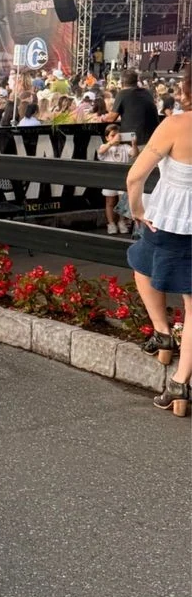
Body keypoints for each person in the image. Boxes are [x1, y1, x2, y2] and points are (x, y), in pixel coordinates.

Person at [126, 66, 192, 417]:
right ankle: (180, 383)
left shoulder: (175, 125)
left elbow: (135, 176)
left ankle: (163, 333)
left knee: (141, 265)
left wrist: (138, 209)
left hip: (168, 220)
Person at [97, 124, 137, 234]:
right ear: (107, 137)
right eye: (112, 135)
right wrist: (111, 143)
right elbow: (100, 152)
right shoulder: (105, 146)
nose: (116, 137)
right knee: (110, 202)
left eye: (118, 135)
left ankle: (121, 221)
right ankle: (111, 224)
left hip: (122, 179)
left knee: (122, 202)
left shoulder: (125, 147)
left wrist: (134, 144)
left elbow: (134, 154)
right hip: (109, 179)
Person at [106, 70, 159, 146]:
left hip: (133, 140)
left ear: (122, 82)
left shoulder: (122, 94)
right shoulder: (147, 92)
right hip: (152, 137)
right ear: (136, 81)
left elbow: (111, 118)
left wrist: (101, 118)